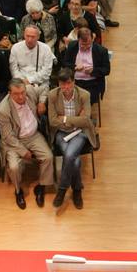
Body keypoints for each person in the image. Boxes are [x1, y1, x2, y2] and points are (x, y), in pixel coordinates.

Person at [0, 77, 53, 209]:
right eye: (16, 94)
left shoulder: (29, 91)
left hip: (33, 135)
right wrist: (23, 151)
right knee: (14, 167)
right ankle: (18, 191)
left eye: (22, 92)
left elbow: (44, 88)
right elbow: (8, 137)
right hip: (14, 141)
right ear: (10, 94)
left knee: (48, 157)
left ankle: (41, 186)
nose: (21, 96)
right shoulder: (3, 110)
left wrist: (41, 102)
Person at [47, 68, 98, 209]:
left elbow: (86, 121)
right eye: (62, 85)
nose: (66, 88)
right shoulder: (52, 95)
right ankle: (77, 190)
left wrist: (63, 118)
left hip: (78, 133)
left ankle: (62, 191)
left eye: (68, 84)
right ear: (58, 84)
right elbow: (52, 121)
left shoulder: (84, 95)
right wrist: (76, 119)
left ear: (74, 82)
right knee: (74, 161)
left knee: (69, 155)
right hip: (61, 134)